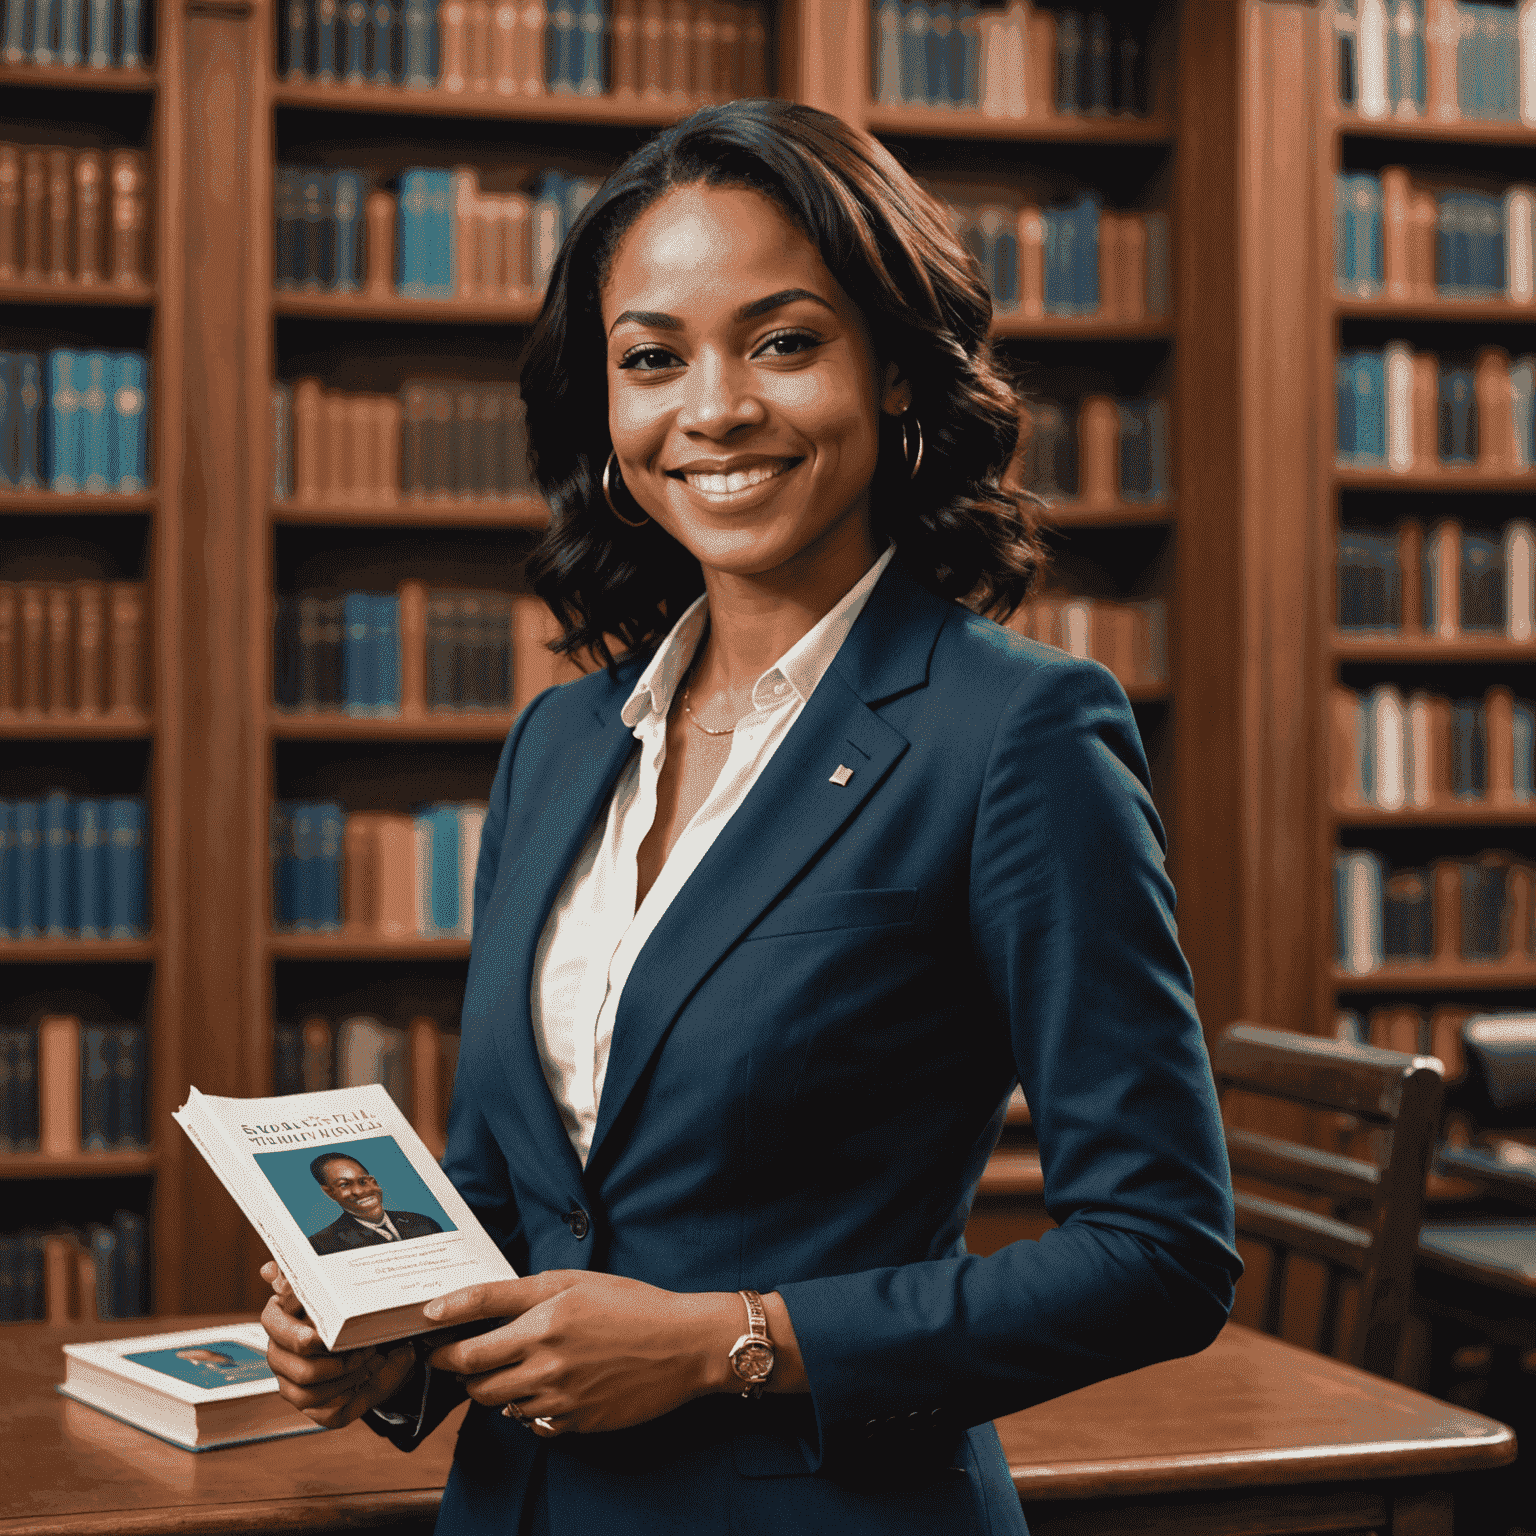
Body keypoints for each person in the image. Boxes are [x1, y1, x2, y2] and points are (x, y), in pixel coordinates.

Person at [260, 98, 1241, 1535]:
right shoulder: (559, 742)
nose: (712, 408)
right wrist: (383, 1336)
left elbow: (1161, 1253)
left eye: (783, 342)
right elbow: (510, 1188)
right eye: (652, 359)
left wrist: (728, 1341)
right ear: (603, 407)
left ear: (897, 371)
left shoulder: (1018, 730)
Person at [304, 1152, 444, 1254]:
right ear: (329, 1192)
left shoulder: (425, 1224)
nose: (359, 1191)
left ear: (374, 1182)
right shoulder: (322, 1245)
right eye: (344, 1184)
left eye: (363, 1181)